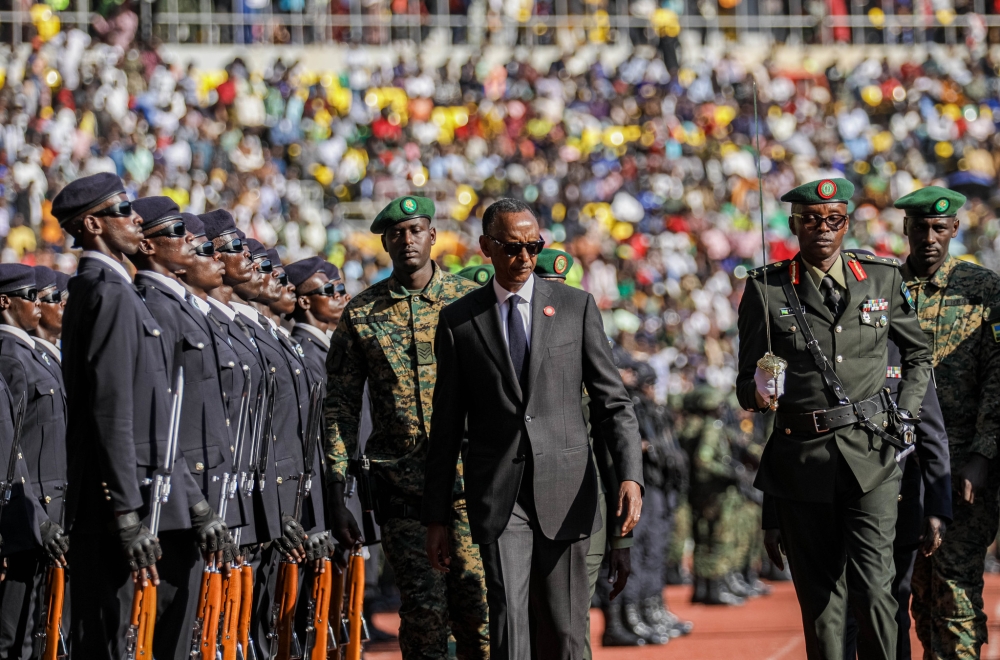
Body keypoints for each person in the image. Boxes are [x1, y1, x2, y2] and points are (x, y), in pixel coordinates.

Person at [422, 198, 644, 660]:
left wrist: (630, 475)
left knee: (566, 633)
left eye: (533, 246)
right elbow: (445, 427)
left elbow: (612, 404)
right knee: (509, 625)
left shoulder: (575, 307)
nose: (524, 258)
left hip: (566, 493)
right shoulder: (459, 321)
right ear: (486, 247)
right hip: (500, 497)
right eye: (511, 248)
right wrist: (437, 517)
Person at [737, 177, 932, 660]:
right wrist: (760, 393)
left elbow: (919, 355)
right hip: (802, 460)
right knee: (822, 602)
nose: (822, 228)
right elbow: (745, 386)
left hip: (873, 457)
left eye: (834, 219)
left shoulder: (882, 277)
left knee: (876, 589)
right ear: (794, 224)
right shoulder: (766, 289)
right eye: (811, 220)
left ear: (846, 223)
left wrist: (905, 412)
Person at [325, 195, 489, 660]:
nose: (407, 239)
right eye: (396, 233)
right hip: (405, 491)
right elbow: (339, 407)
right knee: (422, 615)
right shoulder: (362, 313)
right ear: (384, 242)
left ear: (432, 235)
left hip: (468, 487)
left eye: (416, 229)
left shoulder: (470, 302)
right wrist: (339, 489)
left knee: (480, 612)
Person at [55, 173, 205, 660]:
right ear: (93, 224)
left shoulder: (105, 287)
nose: (135, 216)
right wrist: (125, 509)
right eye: (123, 210)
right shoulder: (110, 291)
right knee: (110, 637)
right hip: (114, 500)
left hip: (121, 493)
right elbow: (112, 408)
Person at [127, 197, 235, 660]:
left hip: (202, 491)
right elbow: (157, 415)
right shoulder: (156, 306)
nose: (192, 242)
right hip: (172, 501)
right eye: (178, 232)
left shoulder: (180, 307)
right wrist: (191, 498)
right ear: (148, 245)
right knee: (166, 633)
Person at [896, 186, 1000, 660]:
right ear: (907, 229)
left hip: (962, 470)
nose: (930, 238)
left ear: (955, 229)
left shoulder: (982, 290)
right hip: (902, 469)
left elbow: (998, 379)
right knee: (919, 596)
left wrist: (983, 454)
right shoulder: (884, 289)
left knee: (956, 592)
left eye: (940, 228)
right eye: (921, 228)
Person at [841, 338, 951, 660]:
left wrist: (937, 508)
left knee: (892, 609)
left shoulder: (906, 352)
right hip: (841, 500)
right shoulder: (830, 342)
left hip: (898, 504)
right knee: (842, 613)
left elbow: (931, 432)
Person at [0, 264, 70, 660]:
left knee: (41, 628)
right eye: (34, 298)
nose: (43, 308)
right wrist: (36, 519)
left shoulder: (33, 356)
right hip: (26, 515)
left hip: (47, 512)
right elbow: (11, 448)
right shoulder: (10, 357)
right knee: (15, 636)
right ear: (5, 302)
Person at [680, 385, 749, 607]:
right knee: (717, 540)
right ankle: (712, 587)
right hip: (713, 493)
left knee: (705, 540)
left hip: (705, 493)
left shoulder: (701, 426)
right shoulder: (711, 427)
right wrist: (731, 473)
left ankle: (706, 587)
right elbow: (703, 460)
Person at [30, 266, 66, 364]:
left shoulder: (64, 350)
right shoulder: (31, 358)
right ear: (36, 304)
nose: (64, 303)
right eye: (55, 296)